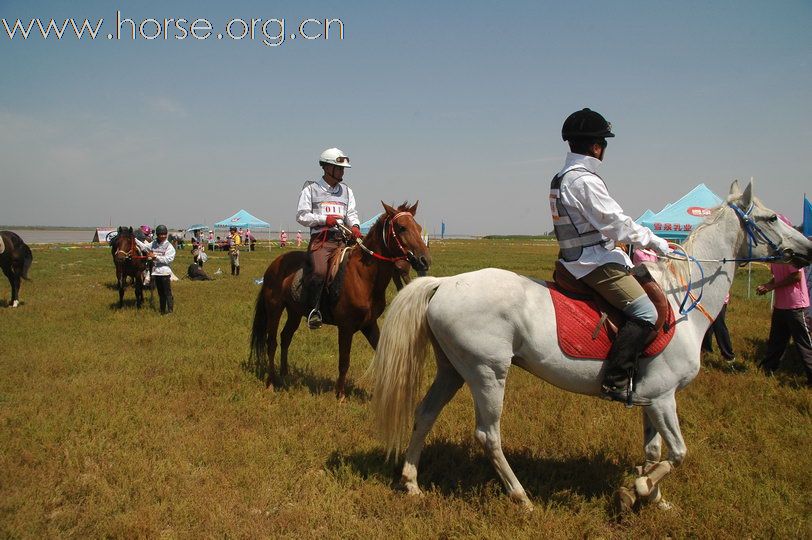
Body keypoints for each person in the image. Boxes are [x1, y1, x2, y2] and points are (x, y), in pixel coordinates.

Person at [550, 108, 670, 406]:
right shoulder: (583, 180)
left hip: (587, 258)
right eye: (604, 143)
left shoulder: (564, 176)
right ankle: (615, 381)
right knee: (647, 313)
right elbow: (616, 223)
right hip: (593, 263)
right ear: (596, 146)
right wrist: (655, 242)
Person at [296, 147, 362, 329]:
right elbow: (301, 216)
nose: (342, 172)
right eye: (338, 168)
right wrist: (324, 219)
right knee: (319, 272)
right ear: (326, 168)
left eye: (342, 169)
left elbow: (351, 213)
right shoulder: (310, 189)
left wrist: (355, 226)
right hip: (322, 241)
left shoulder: (347, 192)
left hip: (343, 240)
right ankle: (314, 311)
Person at [756, 215, 812, 385]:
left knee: (803, 343)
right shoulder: (775, 254)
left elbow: (795, 276)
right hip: (781, 305)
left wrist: (772, 287)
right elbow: (778, 277)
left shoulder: (790, 253)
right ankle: (767, 370)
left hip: (795, 305)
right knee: (776, 340)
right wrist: (767, 285)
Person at [147, 224, 176, 314]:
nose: (163, 236)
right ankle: (162, 311)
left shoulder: (169, 246)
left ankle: (170, 311)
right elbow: (145, 247)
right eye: (161, 234)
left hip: (165, 273)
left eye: (164, 234)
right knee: (160, 293)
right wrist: (134, 239)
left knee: (167, 292)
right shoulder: (154, 243)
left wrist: (155, 257)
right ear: (157, 235)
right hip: (156, 273)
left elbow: (168, 259)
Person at [701, 294, 736, 361]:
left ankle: (728, 356)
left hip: (719, 300)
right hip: (708, 299)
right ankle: (706, 349)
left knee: (719, 325)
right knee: (707, 325)